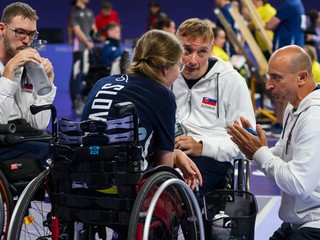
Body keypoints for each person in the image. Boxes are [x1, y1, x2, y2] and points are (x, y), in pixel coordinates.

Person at [82, 29, 202, 191]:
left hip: (82, 177)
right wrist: (174, 155)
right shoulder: (163, 95)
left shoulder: (102, 82)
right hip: (123, 186)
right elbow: (164, 167)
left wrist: (175, 153)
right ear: (166, 68)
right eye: (179, 66)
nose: (179, 73)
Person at [228, 45, 320, 240]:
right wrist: (253, 148)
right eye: (269, 76)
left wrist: (259, 153)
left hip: (314, 224)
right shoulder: (294, 107)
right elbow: (282, 152)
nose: (269, 84)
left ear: (302, 77)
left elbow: (299, 184)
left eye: (276, 78)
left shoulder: (314, 116)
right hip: (297, 222)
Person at [172, 18, 255, 202]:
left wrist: (202, 147)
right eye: (187, 50)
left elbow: (246, 144)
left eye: (202, 52)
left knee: (179, 194)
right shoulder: (167, 75)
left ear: (211, 50)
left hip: (211, 158)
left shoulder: (231, 81)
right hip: (168, 152)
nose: (193, 60)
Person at [0, 2, 56, 167]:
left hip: (22, 137)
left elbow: (38, 124)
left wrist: (47, 83)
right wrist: (9, 70)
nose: (26, 40)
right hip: (3, 140)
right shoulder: (12, 66)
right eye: (20, 32)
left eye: (31, 34)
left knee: (66, 148)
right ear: (2, 29)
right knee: (50, 153)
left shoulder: (28, 67)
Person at [265, 0, 306, 137]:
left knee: (280, 88)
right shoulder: (298, 5)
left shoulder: (290, 5)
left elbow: (269, 25)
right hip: (292, 55)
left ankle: (282, 123)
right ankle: (283, 122)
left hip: (286, 57)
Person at [69, 0, 97, 116]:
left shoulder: (90, 12)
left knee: (87, 72)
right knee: (77, 73)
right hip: (79, 48)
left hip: (89, 47)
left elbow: (93, 28)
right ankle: (76, 100)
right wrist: (86, 41)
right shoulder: (74, 12)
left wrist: (95, 37)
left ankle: (86, 97)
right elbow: (77, 30)